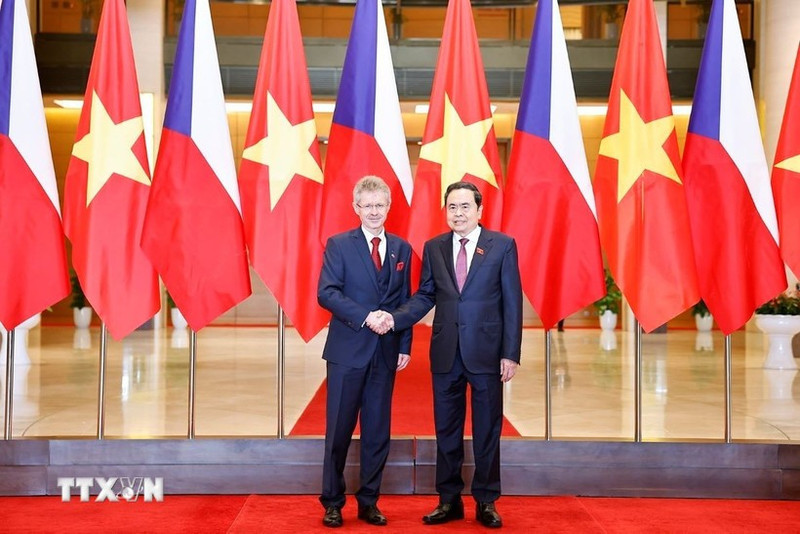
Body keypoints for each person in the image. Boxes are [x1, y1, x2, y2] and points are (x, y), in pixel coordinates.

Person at [374, 181, 522, 528]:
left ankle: (486, 500)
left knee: (487, 429)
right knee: (447, 429)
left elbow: (512, 303)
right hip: (445, 353)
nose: (458, 213)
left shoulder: (502, 246)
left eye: (465, 206)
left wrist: (510, 353)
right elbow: (426, 296)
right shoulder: (434, 247)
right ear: (446, 211)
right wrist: (395, 318)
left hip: (487, 354)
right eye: (452, 207)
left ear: (479, 210)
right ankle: (449, 499)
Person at [317, 175, 413, 528]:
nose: (374, 211)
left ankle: (369, 500)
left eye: (380, 205)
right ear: (356, 207)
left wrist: (404, 343)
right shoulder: (339, 245)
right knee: (338, 430)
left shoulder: (402, 248)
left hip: (385, 353)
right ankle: (332, 501)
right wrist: (365, 316)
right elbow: (326, 292)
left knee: (377, 430)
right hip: (347, 351)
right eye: (367, 205)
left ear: (388, 207)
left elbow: (405, 300)